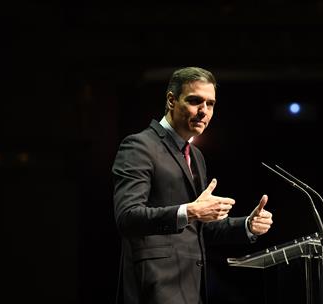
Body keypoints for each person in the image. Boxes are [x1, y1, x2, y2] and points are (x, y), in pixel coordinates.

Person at [112, 66, 273, 304]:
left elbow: (199, 228)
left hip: (192, 286)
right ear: (171, 100)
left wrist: (247, 225)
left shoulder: (195, 155)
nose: (203, 111)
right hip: (154, 287)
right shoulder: (139, 146)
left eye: (210, 104)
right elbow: (127, 217)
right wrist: (190, 211)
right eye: (195, 101)